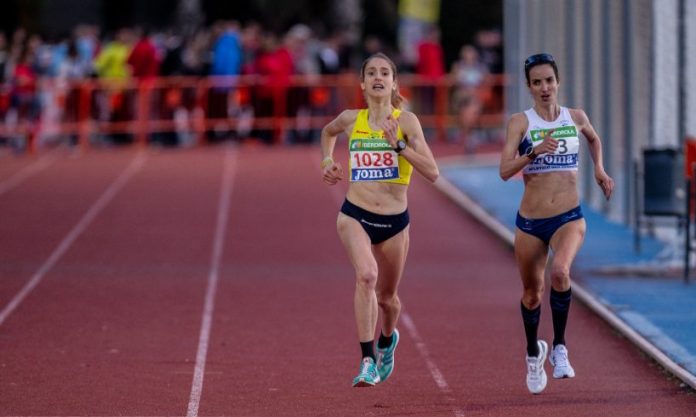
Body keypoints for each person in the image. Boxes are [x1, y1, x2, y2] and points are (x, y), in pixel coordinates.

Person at [320, 52, 439, 387]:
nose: (377, 77)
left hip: (394, 222)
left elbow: (432, 172)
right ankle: (367, 360)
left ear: (394, 83)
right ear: (362, 84)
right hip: (354, 213)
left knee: (388, 300)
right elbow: (327, 132)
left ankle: (387, 340)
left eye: (384, 72)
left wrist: (398, 146)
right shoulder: (349, 118)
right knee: (366, 277)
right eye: (370, 72)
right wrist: (327, 161)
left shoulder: (407, 122)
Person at [499, 53, 614, 394]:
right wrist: (534, 152)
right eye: (537, 82)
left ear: (558, 82)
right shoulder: (520, 123)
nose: (545, 88)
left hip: (569, 216)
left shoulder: (575, 116)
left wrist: (599, 169)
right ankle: (534, 353)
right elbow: (505, 171)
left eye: (549, 80)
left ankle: (560, 347)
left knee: (561, 273)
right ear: (529, 87)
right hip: (531, 222)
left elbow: (593, 138)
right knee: (532, 295)